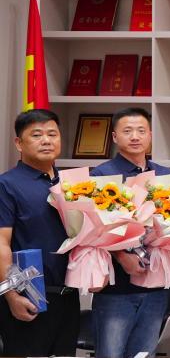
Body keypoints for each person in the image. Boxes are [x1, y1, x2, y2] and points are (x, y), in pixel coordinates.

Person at [89, 107, 170, 358]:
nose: (135, 136)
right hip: (116, 288)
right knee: (111, 353)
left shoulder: (165, 175)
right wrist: (121, 256)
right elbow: (92, 230)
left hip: (155, 284)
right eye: (127, 131)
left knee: (144, 353)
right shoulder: (102, 175)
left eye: (141, 131)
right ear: (115, 137)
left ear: (150, 135)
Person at [0, 109, 79, 356]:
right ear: (19, 143)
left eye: (52, 134)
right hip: (28, 296)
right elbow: (1, 243)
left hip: (69, 296)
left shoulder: (72, 184)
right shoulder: (7, 184)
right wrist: (11, 295)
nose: (46, 140)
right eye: (36, 135)